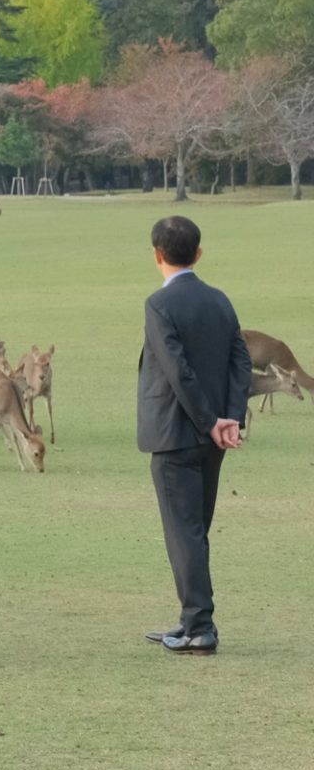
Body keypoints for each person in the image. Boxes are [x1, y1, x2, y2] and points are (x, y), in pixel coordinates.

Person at [138, 215, 250, 655]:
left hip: (175, 435)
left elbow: (176, 371)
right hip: (212, 438)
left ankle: (200, 626)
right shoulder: (220, 300)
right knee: (195, 530)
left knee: (184, 533)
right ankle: (191, 620)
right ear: (198, 254)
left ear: (157, 255)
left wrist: (208, 420)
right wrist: (229, 418)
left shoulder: (159, 305)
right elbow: (241, 360)